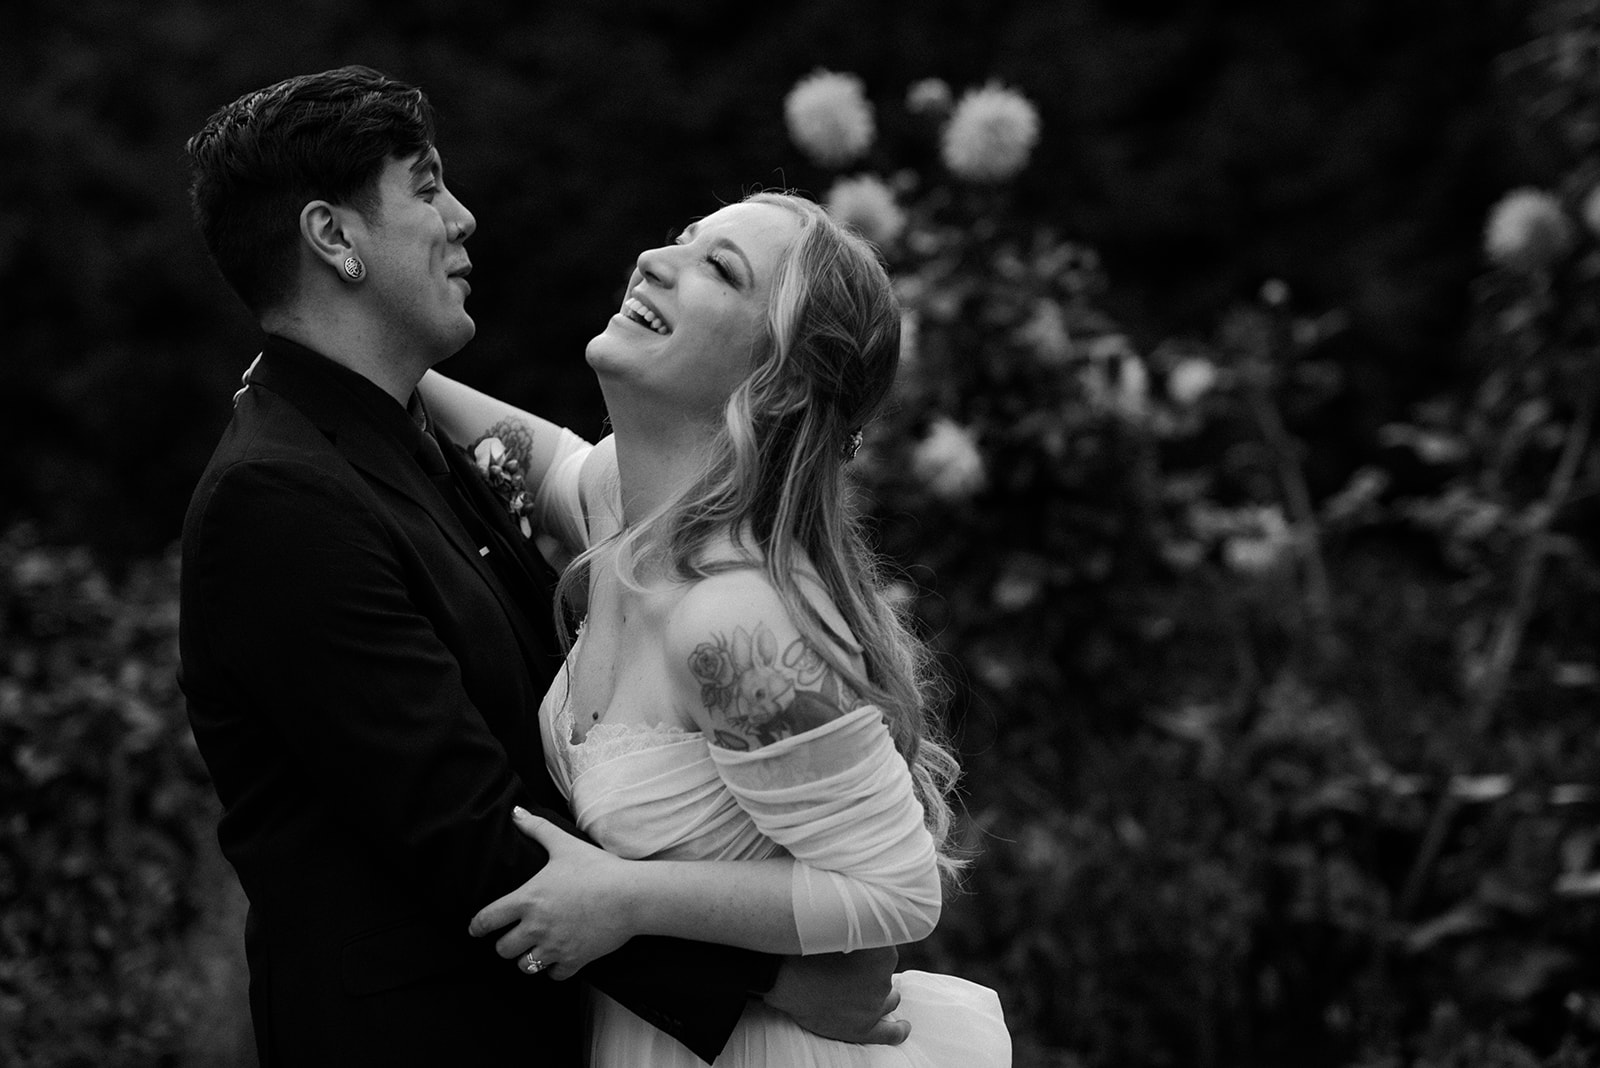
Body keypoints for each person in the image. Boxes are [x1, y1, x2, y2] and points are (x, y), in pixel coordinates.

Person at [177, 65, 906, 1068]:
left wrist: (321, 360)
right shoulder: (283, 495)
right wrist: (773, 979)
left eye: (716, 265)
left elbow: (549, 456)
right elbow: (461, 830)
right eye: (427, 186)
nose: (463, 218)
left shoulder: (410, 439)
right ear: (333, 237)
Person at [419, 191, 1011, 1065]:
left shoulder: (735, 620)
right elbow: (535, 457)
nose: (657, 262)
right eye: (678, 240)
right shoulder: (630, 505)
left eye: (719, 270)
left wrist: (628, 899)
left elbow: (895, 893)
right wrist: (355, 360)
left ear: (777, 381)